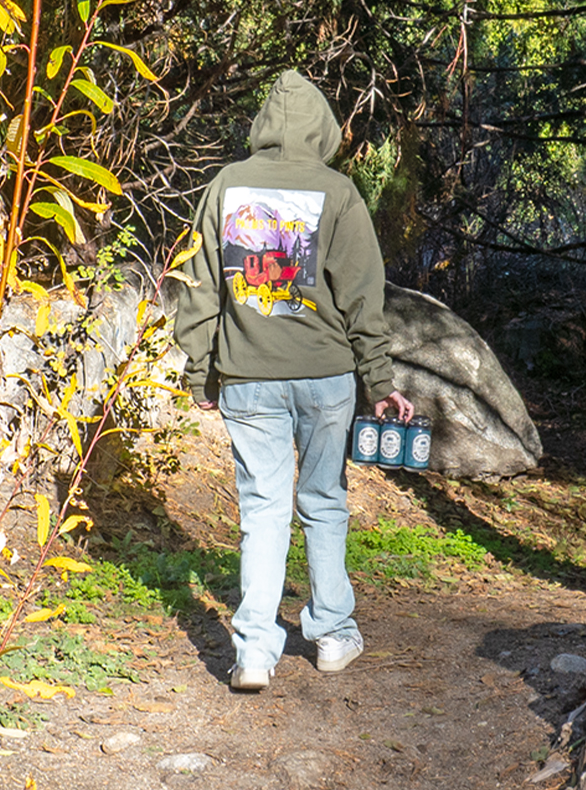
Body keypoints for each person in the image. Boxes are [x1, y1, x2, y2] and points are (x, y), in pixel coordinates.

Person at [174, 70, 414, 692]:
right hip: (327, 375)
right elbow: (362, 296)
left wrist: (200, 371)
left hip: (247, 376)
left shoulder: (226, 186)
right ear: (321, 128)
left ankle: (254, 653)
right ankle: (332, 634)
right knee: (324, 501)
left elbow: (199, 288)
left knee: (262, 509)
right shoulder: (338, 192)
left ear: (263, 125)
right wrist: (379, 379)